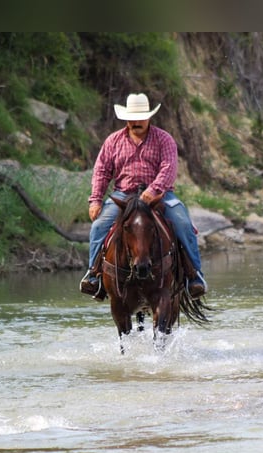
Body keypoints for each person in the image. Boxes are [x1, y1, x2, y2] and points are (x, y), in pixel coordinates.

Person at [79, 93, 207, 299]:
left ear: (149, 117)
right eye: (132, 117)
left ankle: (194, 276)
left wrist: (153, 190)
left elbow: (168, 168)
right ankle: (94, 275)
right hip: (124, 194)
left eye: (140, 117)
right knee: (99, 226)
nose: (136, 121)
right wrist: (95, 200)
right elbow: (101, 171)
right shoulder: (113, 141)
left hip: (159, 195)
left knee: (182, 222)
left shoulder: (164, 139)